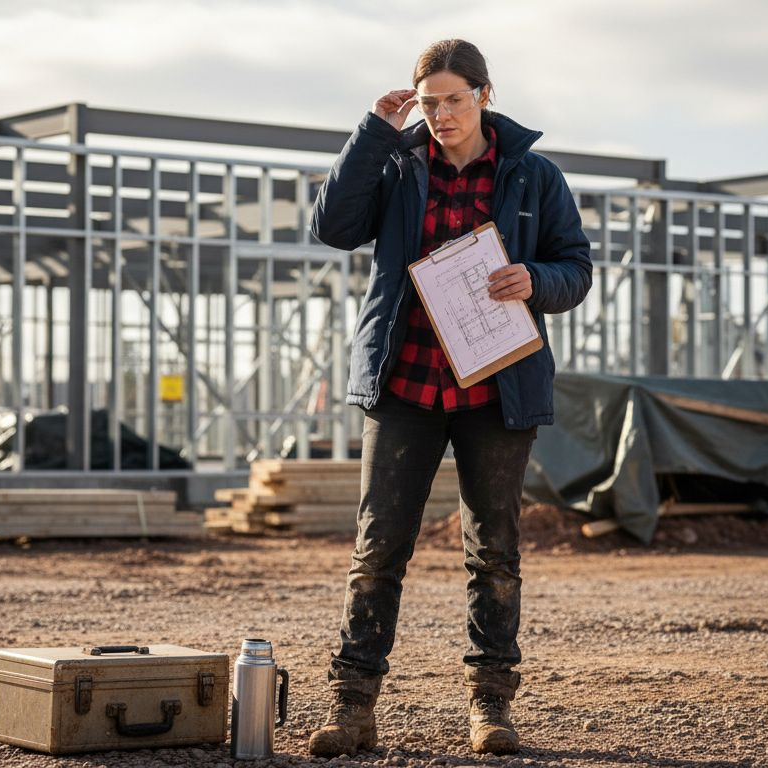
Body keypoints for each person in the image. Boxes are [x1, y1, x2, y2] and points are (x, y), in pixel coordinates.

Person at [306, 38, 592, 757]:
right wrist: (373, 131)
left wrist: (535, 279)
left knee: (492, 552)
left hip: (497, 392)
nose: (440, 114)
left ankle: (490, 708)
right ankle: (352, 708)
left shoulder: (534, 176)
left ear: (485, 96)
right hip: (405, 384)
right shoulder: (398, 164)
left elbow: (576, 269)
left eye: (453, 100)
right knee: (378, 551)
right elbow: (333, 228)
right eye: (428, 102)